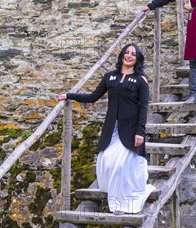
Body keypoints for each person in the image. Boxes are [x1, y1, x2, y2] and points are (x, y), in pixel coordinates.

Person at [57, 43, 155, 214]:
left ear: (137, 59)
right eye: (126, 52)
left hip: (130, 129)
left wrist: (141, 132)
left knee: (120, 164)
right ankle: (116, 193)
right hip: (112, 128)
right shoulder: (110, 77)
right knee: (107, 161)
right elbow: (93, 97)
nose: (129, 56)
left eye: (133, 54)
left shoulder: (141, 81)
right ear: (122, 55)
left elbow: (144, 107)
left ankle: (120, 204)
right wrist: (69, 95)